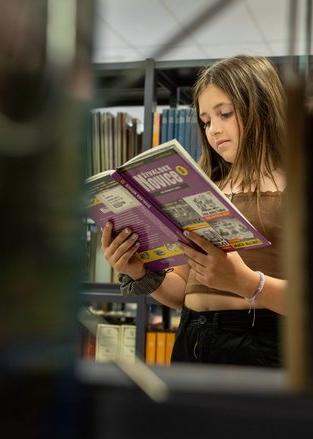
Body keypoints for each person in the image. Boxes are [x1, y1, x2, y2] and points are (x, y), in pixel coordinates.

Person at [101, 55, 287, 367]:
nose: (213, 130)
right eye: (205, 121)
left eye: (224, 114)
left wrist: (245, 282)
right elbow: (182, 291)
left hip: (258, 344)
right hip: (191, 340)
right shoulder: (206, 188)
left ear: (263, 109)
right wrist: (138, 269)